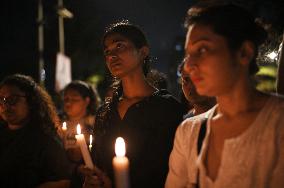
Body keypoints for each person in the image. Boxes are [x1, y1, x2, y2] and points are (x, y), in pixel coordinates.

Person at [165, 4, 284, 188]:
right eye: (189, 54)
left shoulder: (278, 124)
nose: (189, 66)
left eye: (202, 50)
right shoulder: (188, 132)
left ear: (244, 53)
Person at [83, 20, 185, 188]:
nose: (111, 56)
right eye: (107, 51)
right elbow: (98, 163)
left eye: (119, 46)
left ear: (143, 51)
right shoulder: (105, 112)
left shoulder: (168, 109)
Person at [0, 74, 72, 187]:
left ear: (31, 101)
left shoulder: (46, 140)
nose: (5, 105)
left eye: (12, 99)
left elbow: (63, 182)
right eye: (1, 99)